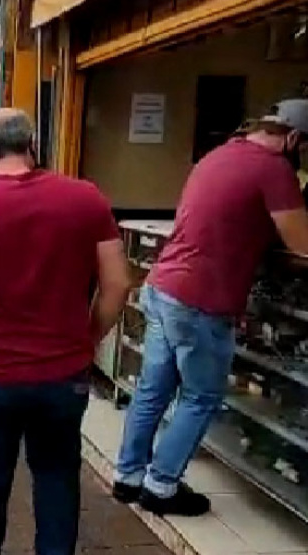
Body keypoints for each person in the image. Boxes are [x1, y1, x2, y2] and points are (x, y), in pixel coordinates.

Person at [0, 108, 131, 555]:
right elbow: (117, 285)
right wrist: (87, 339)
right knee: (57, 483)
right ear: (33, 146)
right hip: (62, 379)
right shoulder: (85, 199)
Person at [112, 99, 308, 517]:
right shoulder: (274, 168)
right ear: (293, 138)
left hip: (163, 286)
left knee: (152, 390)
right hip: (201, 299)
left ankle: (128, 477)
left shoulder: (220, 154)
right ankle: (161, 485)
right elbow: (302, 243)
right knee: (201, 396)